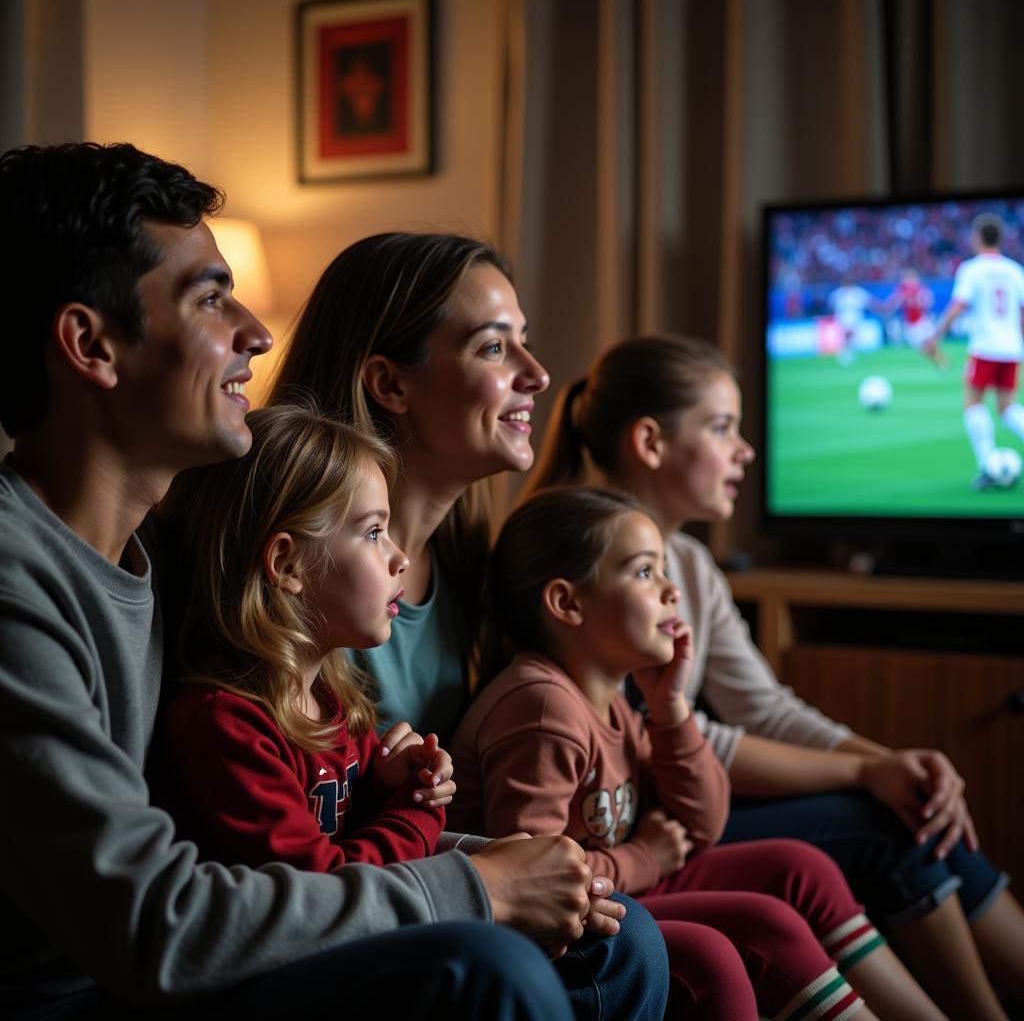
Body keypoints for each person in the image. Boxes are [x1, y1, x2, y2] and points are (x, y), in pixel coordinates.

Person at [0, 142, 627, 1021]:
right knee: (489, 972)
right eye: (212, 298)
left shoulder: (171, 555)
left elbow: (315, 828)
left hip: (176, 953)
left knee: (616, 937)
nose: (256, 333)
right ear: (90, 345)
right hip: (79, 994)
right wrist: (473, 884)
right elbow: (157, 921)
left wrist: (514, 860)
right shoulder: (17, 590)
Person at [524, 333, 1024, 1020]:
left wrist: (888, 761)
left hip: (690, 803)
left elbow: (763, 707)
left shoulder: (691, 565)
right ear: (650, 442)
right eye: (723, 428)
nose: (746, 451)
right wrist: (861, 774)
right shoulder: (593, 571)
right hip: (647, 822)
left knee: (914, 800)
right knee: (886, 820)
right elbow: (688, 735)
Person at [270, 231, 670, 1021]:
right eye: (495, 347)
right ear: (390, 383)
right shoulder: (299, 572)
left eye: (524, 342)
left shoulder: (470, 562)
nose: (539, 374)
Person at [451, 485, 953, 1020]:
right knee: (753, 932)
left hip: (612, 885)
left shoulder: (615, 702)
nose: (672, 591)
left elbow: (704, 821)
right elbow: (533, 882)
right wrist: (645, 857)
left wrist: (670, 707)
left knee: (797, 865)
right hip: (556, 925)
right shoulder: (543, 708)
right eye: (646, 572)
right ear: (567, 603)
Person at [153, 404, 457, 871]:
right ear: (288, 565)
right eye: (374, 532)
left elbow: (348, 826)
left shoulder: (332, 703)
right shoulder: (225, 727)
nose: (401, 559)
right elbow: (325, 889)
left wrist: (388, 783)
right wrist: (417, 810)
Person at [925, 213, 1024, 489]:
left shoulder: (971, 269)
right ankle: (992, 466)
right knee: (1007, 409)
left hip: (986, 347)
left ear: (977, 237)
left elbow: (958, 306)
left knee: (973, 405)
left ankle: (987, 466)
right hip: (1012, 347)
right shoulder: (1015, 270)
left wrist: (935, 336)